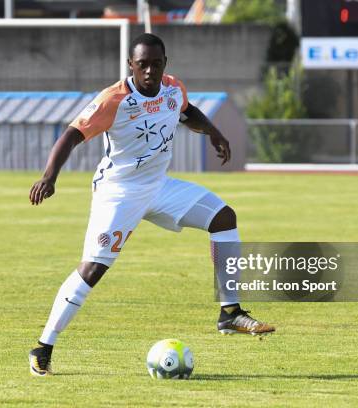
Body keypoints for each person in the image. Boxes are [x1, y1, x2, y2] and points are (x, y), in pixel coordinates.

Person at [27, 33, 275, 376]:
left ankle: (229, 312)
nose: (149, 71)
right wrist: (49, 176)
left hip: (159, 187)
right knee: (93, 270)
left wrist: (214, 132)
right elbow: (71, 134)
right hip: (119, 193)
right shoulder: (113, 99)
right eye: (142, 65)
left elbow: (188, 113)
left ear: (164, 64)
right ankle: (43, 345)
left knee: (224, 218)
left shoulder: (173, 89)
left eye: (155, 64)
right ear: (131, 65)